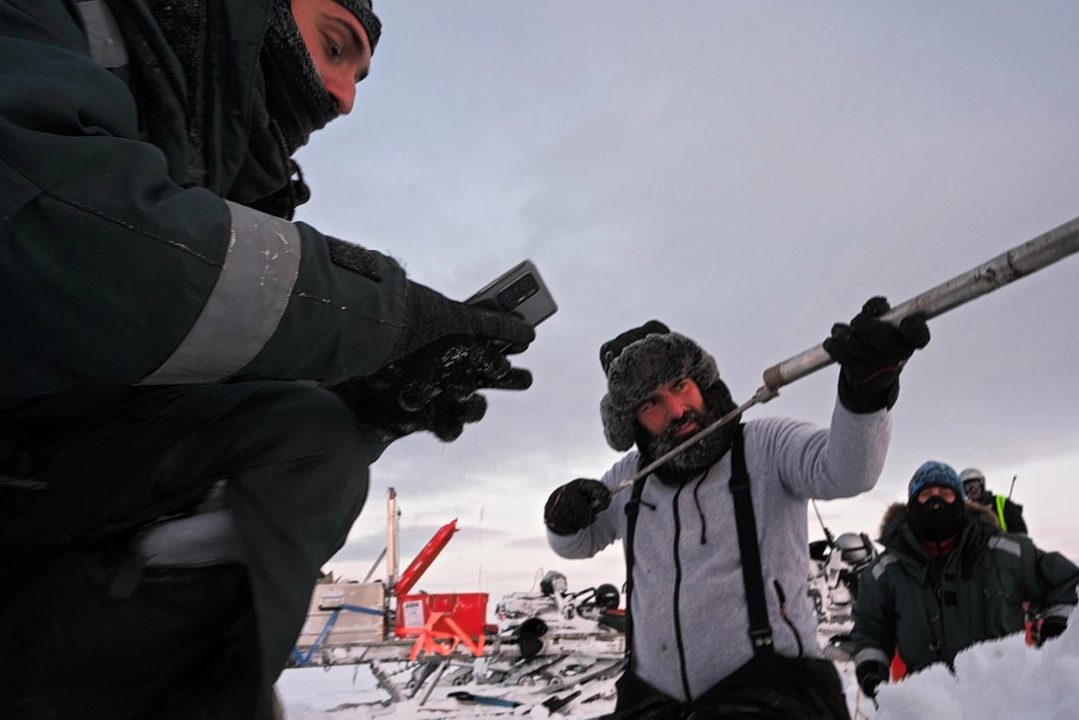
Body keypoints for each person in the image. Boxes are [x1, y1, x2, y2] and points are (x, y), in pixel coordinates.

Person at [0, 1, 535, 717]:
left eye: (359, 79)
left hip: (44, 464)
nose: (344, 101)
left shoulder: (217, 177)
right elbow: (72, 242)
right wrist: (387, 315)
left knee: (311, 440)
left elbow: (170, 365)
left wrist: (366, 400)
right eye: (336, 47)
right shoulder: (49, 17)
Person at [543, 300, 931, 720]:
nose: (676, 411)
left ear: (701, 381)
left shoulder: (765, 445)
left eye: (679, 386)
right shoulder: (631, 478)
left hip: (774, 694)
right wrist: (563, 514)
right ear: (633, 421)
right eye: (651, 403)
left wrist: (866, 392)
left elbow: (848, 471)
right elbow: (576, 543)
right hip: (652, 702)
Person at [849, 462, 1079, 701]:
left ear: (961, 502)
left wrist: (1057, 628)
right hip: (930, 706)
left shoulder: (1006, 553)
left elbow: (1068, 584)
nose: (935, 502)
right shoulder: (885, 572)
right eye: (925, 495)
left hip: (1005, 704)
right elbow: (869, 627)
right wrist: (871, 669)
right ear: (911, 505)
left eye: (945, 494)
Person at [959, 467, 1028, 534]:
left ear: (982, 484)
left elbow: (1021, 532)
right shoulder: (964, 512)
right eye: (967, 487)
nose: (972, 490)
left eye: (975, 485)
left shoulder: (1001, 503)